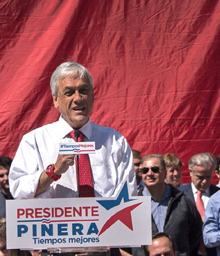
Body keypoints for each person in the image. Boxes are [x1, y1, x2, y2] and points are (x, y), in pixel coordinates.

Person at [9, 62, 136, 199]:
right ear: (56, 100)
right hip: (53, 220)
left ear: (92, 97)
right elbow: (19, 191)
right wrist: (53, 171)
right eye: (69, 93)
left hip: (105, 219)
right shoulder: (34, 141)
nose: (78, 98)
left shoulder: (115, 141)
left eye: (83, 91)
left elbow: (127, 195)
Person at [137, 154, 203, 256]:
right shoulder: (133, 205)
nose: (149, 173)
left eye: (154, 169)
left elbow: (196, 234)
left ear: (164, 172)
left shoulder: (183, 201)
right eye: (145, 170)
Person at [180, 153, 220, 220]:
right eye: (200, 177)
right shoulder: (179, 194)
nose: (204, 181)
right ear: (190, 172)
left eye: (208, 177)